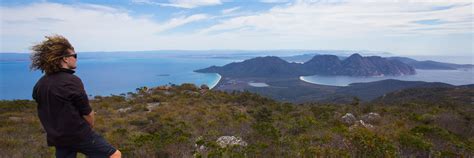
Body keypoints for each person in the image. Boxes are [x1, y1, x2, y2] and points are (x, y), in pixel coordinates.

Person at [31, 35, 121, 158]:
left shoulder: (41, 83)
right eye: (74, 56)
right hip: (78, 135)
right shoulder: (71, 81)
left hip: (58, 138)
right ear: (65, 59)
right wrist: (88, 129)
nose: (76, 59)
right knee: (114, 155)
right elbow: (87, 113)